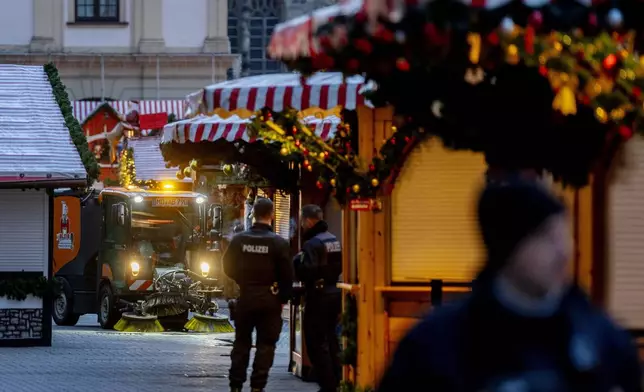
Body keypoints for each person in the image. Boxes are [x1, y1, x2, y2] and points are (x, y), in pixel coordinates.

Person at [377, 179, 642, 391]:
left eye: (564, 234)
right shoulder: (436, 347)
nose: (563, 252)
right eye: (545, 237)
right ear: (507, 249)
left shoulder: (602, 341)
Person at [223, 198, 294, 392]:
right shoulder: (278, 243)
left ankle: (236, 385)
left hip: (246, 298)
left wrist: (242, 280)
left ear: (253, 214)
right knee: (266, 345)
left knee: (241, 342)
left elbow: (227, 266)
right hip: (269, 299)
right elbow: (287, 274)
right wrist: (283, 297)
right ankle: (257, 387)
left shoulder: (239, 240)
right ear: (271, 215)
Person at [295, 204, 343, 392]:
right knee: (331, 340)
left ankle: (327, 384)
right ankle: (337, 379)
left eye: (302, 221)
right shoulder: (333, 239)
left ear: (307, 220)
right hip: (334, 293)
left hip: (318, 296)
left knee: (315, 342)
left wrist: (298, 262)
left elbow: (307, 271)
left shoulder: (312, 244)